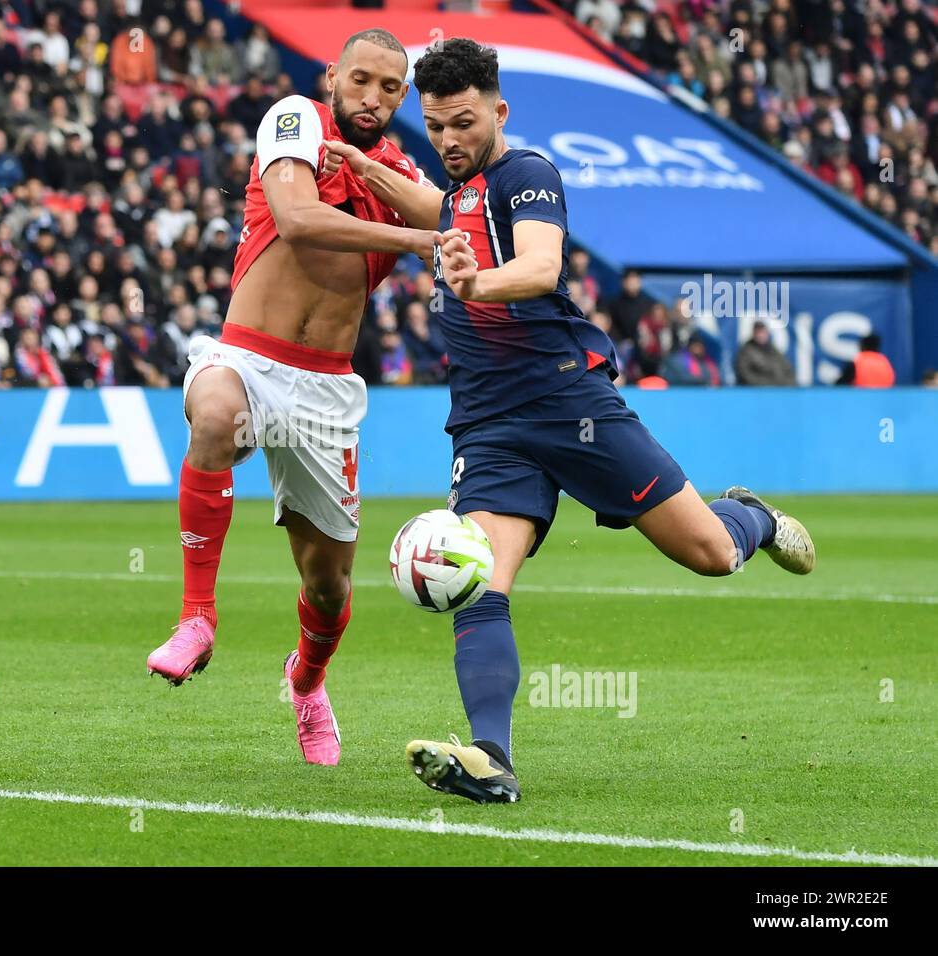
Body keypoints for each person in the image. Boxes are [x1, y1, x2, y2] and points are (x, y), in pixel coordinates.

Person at [327, 38, 816, 803]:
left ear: (499, 111)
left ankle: (748, 517)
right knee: (478, 583)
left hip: (569, 405)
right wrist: (358, 166)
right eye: (437, 125)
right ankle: (491, 759)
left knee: (712, 555)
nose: (449, 140)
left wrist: (475, 281)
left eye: (464, 122)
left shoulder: (526, 175)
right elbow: (432, 206)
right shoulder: (460, 189)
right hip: (488, 425)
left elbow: (541, 267)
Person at [144, 29, 441, 766]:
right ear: (333, 76)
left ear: (403, 96)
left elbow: (453, 216)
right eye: (361, 80)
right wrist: (414, 237)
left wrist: (394, 188)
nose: (372, 98)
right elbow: (300, 218)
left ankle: (306, 683)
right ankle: (196, 618)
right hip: (248, 356)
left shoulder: (395, 166)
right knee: (213, 412)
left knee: (331, 585)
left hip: (325, 390)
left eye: (389, 88)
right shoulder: (295, 118)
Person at [735, 321, 796, 385]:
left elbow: (787, 369)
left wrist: (786, 383)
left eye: (763, 332)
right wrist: (767, 384)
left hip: (778, 389)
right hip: (757, 390)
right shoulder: (746, 351)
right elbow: (745, 374)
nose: (761, 335)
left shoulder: (774, 350)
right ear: (754, 334)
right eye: (758, 333)